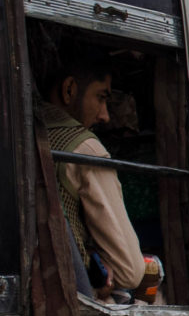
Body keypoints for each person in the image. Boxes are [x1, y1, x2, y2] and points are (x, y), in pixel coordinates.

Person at [37, 49, 143, 300]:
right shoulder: (84, 148)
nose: (105, 116)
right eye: (101, 97)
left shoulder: (17, 127)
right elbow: (129, 270)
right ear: (69, 90)